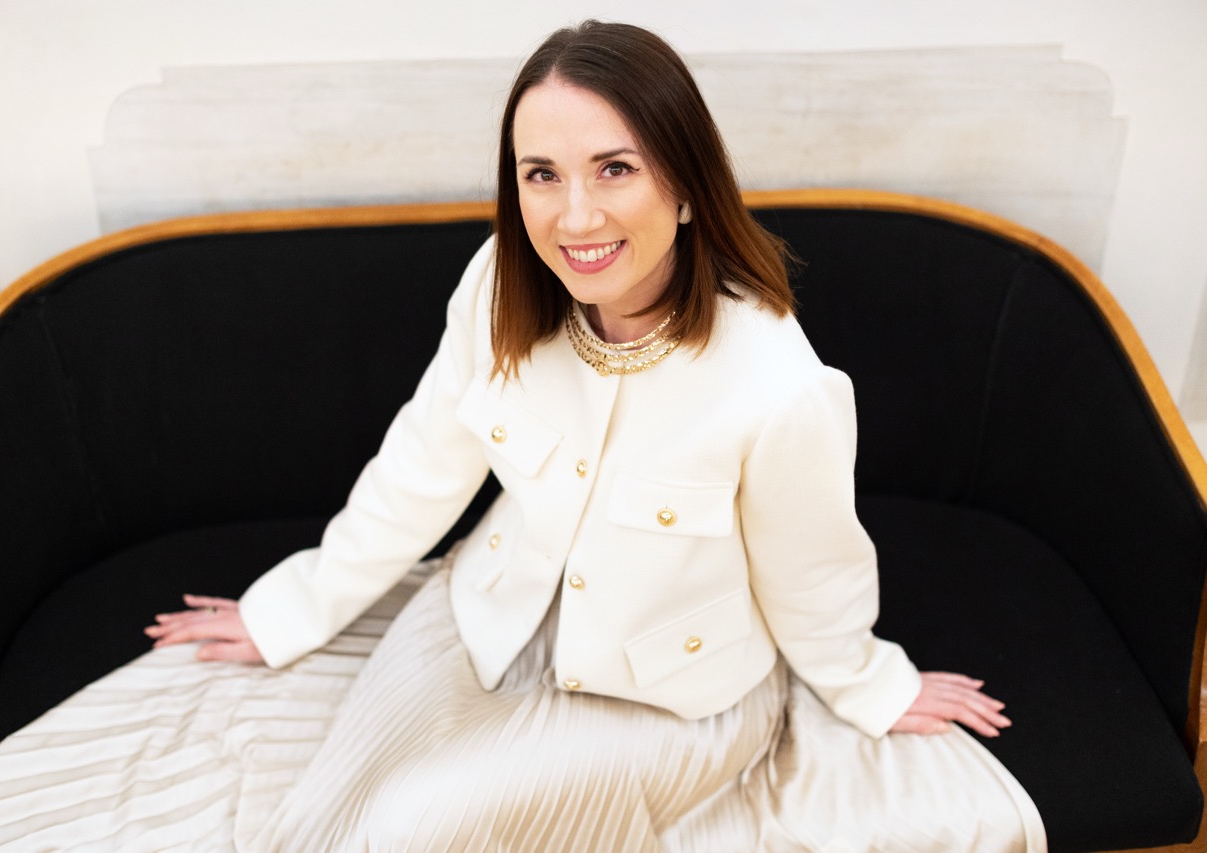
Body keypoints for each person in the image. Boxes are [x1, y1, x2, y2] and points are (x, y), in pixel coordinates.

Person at [135, 19, 1017, 851]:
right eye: (542, 174)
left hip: (668, 701)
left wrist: (870, 682)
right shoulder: (497, 283)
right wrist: (292, 608)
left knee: (411, 824)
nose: (576, 217)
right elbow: (423, 463)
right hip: (491, 618)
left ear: (685, 187)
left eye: (614, 168)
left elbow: (813, 568)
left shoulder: (780, 383)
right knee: (337, 802)